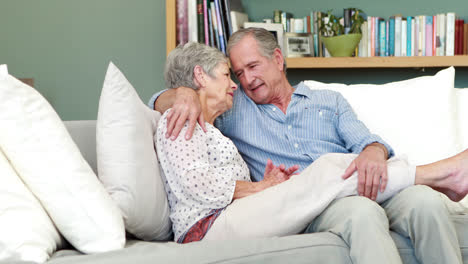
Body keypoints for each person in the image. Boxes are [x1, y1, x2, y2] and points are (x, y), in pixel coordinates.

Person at [151, 30, 468, 264]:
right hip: (318, 205)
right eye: (237, 73)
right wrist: (184, 93)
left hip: (372, 180)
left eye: (253, 66)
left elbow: (367, 143)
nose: (245, 80)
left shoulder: (329, 102)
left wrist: (374, 151)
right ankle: (441, 171)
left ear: (277, 59)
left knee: (427, 203)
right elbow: (158, 105)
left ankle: (434, 180)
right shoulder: (235, 108)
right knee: (361, 212)